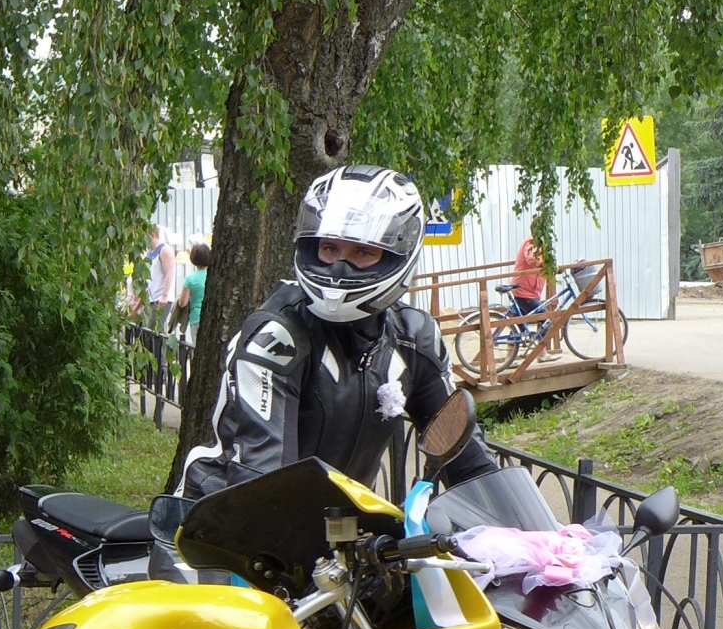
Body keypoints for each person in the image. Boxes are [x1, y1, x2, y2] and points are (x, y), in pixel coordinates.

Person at [174, 164, 492, 501]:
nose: (339, 267)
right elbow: (263, 476)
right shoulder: (278, 337)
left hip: (337, 525)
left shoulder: (414, 339)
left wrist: (515, 523)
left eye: (363, 252)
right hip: (223, 519)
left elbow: (469, 462)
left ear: (398, 254)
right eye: (330, 249)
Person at [144, 228, 178, 330]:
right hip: (151, 298)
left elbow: (170, 273)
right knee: (151, 330)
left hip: (161, 299)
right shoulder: (150, 253)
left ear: (152, 235)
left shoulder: (165, 250)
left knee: (154, 330)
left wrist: (164, 295)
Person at [177, 240, 209, 341]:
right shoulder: (213, 275)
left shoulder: (190, 279)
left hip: (196, 317)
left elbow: (182, 303)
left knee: (197, 346)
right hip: (212, 317)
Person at [511, 234, 547, 319]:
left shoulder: (540, 242)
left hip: (528, 291)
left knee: (520, 323)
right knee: (545, 317)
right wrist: (545, 264)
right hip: (524, 292)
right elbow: (532, 259)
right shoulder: (532, 241)